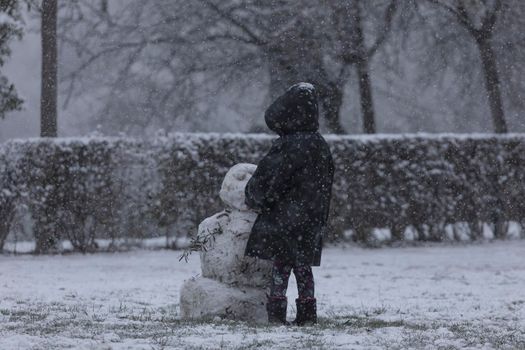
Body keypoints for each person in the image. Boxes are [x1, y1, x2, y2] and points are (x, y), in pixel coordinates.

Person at [244, 82, 335, 326]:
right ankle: (307, 314)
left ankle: (276, 313)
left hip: (284, 219)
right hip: (310, 220)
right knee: (303, 267)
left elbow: (270, 180)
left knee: (281, 266)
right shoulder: (320, 145)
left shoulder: (288, 145)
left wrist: (254, 196)